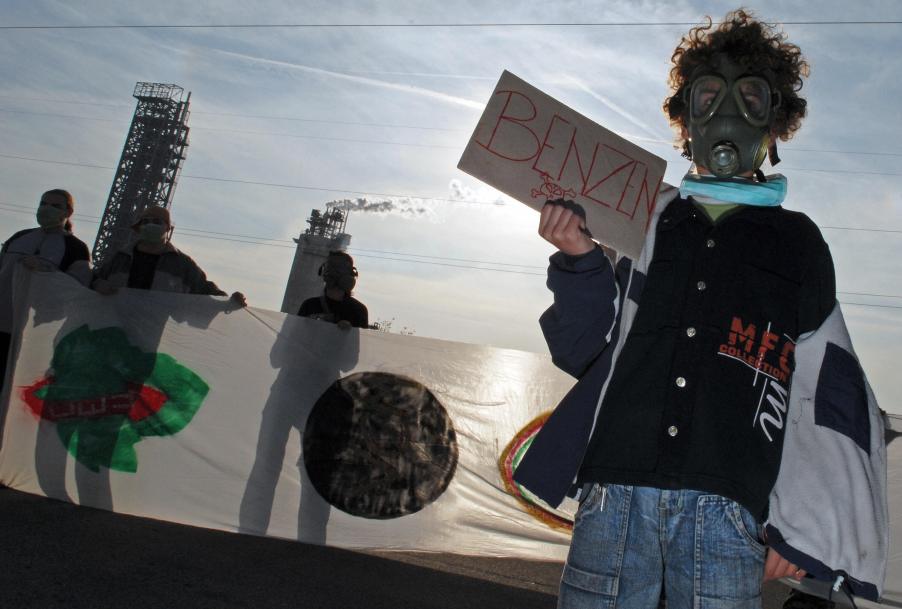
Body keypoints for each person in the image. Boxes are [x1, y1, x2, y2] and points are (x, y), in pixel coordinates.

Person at [513, 9, 886, 609]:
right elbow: (585, 351)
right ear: (684, 119)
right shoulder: (644, 217)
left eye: (751, 96)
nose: (727, 114)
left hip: (729, 514)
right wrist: (580, 257)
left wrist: (805, 527)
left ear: (775, 122)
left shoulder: (798, 243)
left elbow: (829, 391)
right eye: (709, 94)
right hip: (613, 495)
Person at [0, 189, 91, 394]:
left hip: (36, 332)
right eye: (43, 203)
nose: (46, 209)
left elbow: (79, 289)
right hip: (3, 322)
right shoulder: (19, 237)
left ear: (68, 212)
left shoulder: (75, 248)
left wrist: (46, 271)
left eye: (55, 206)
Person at [92, 206, 246, 305]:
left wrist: (229, 301)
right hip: (112, 333)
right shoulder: (120, 258)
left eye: (157, 222)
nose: (150, 225)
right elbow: (90, 280)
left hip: (149, 342)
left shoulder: (182, 264)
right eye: (146, 221)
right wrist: (97, 284)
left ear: (167, 228)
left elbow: (205, 290)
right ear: (139, 228)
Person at [298, 251, 368, 329]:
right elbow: (294, 335)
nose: (334, 274)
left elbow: (361, 338)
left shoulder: (358, 311)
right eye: (331, 268)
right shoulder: (309, 305)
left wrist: (349, 332)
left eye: (339, 269)